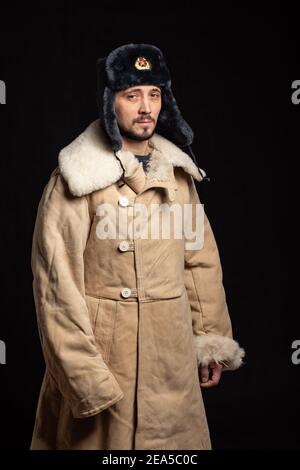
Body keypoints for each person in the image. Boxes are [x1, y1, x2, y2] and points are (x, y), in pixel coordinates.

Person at [30, 43, 245, 450]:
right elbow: (56, 290)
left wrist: (211, 339)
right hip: (107, 362)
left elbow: (199, 263)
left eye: (154, 94)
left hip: (171, 362)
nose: (146, 107)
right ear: (111, 102)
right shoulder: (75, 181)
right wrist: (84, 378)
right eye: (133, 95)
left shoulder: (180, 178)